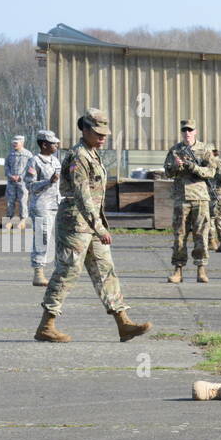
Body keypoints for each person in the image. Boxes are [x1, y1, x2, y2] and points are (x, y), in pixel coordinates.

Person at [34, 108, 152, 344]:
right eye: (97, 132)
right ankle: (46, 325)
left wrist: (97, 226)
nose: (103, 137)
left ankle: (123, 323)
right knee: (68, 270)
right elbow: (82, 195)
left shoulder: (92, 153)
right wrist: (99, 227)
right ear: (84, 129)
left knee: (105, 269)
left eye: (105, 133)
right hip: (76, 221)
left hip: (91, 221)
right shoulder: (79, 156)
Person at [162, 119, 214, 283]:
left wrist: (193, 167)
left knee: (201, 235)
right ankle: (178, 270)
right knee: (179, 235)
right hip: (181, 198)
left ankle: (201, 269)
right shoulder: (175, 150)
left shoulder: (204, 150)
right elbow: (167, 172)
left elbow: (211, 172)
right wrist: (176, 166)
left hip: (200, 197)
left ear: (195, 131)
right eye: (184, 130)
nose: (187, 133)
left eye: (190, 130)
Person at [23, 129, 62, 287]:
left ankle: (59, 271)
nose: (57, 145)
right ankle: (38, 272)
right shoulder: (34, 161)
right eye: (53, 143)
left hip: (56, 203)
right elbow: (30, 185)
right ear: (44, 144)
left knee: (58, 238)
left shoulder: (56, 161)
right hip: (41, 205)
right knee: (42, 237)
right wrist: (48, 181)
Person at [4, 135, 33, 229]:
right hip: (11, 182)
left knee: (23, 201)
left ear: (22, 143)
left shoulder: (28, 155)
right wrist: (10, 176)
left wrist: (21, 176)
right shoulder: (10, 154)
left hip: (23, 182)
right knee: (10, 201)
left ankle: (23, 220)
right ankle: (9, 220)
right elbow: (6, 167)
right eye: (13, 142)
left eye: (16, 143)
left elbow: (30, 168)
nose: (14, 144)